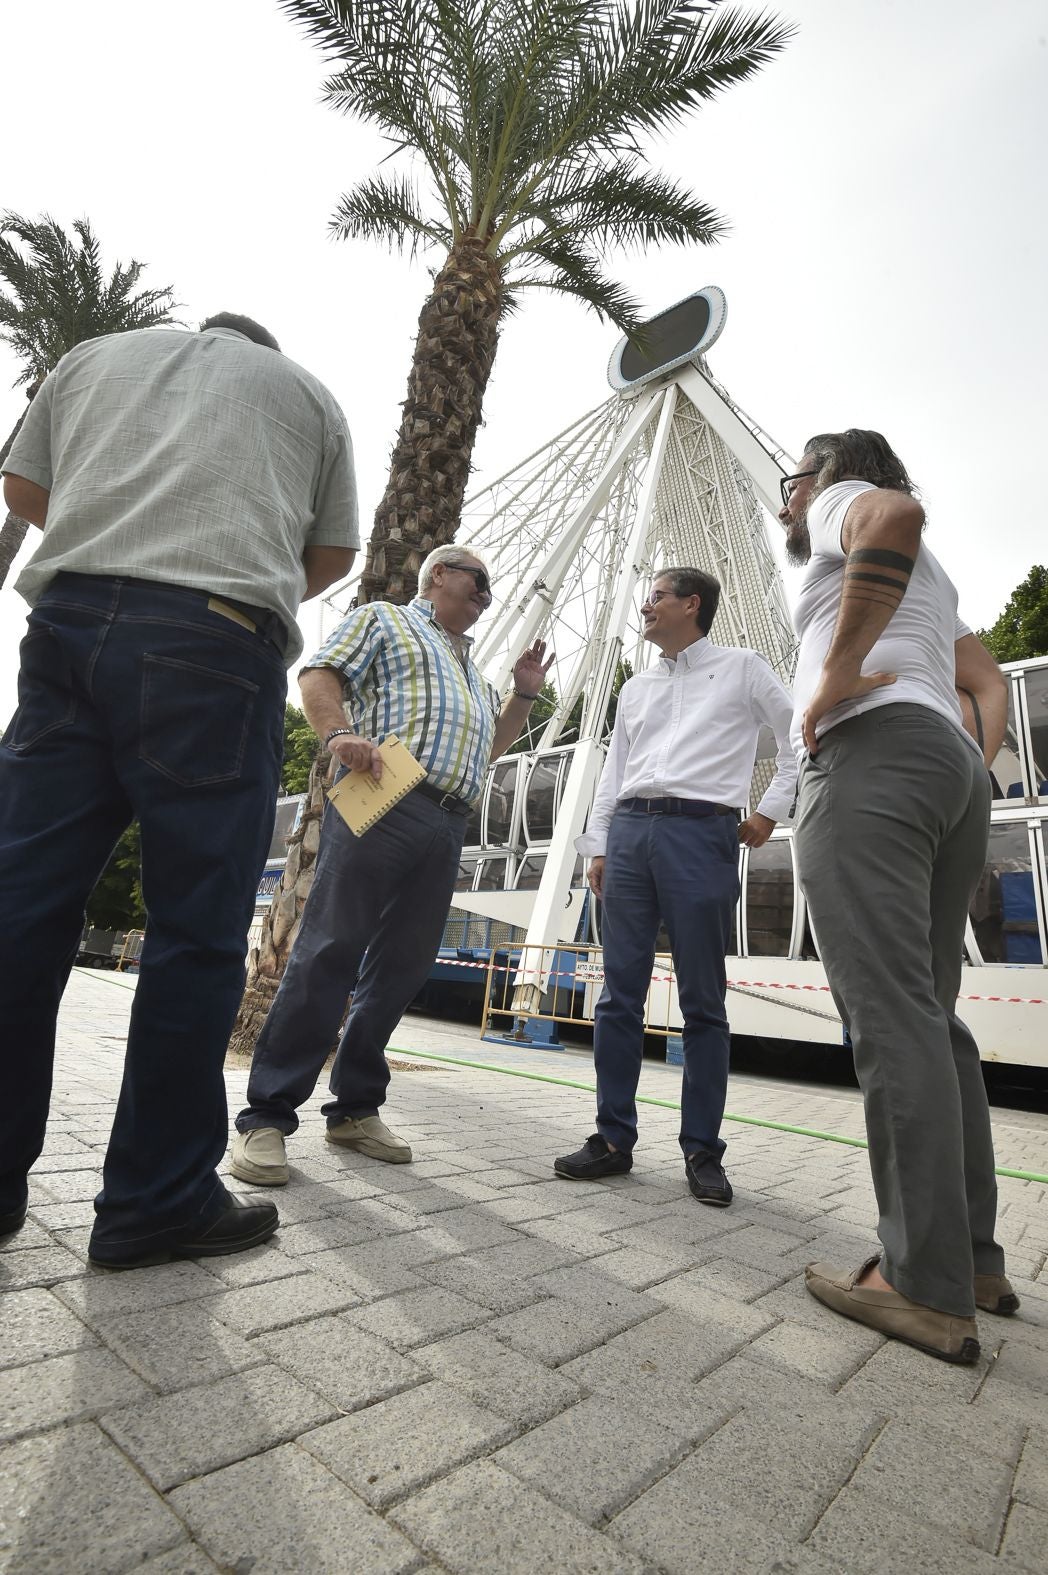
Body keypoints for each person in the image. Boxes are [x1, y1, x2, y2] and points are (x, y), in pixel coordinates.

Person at [0, 313, 359, 1267]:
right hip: (213, 639)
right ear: (263, 353)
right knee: (194, 931)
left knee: (19, 907)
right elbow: (329, 557)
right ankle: (154, 1200)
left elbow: (23, 488)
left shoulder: (91, 358)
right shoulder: (307, 395)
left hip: (68, 624)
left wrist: (120, 525)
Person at [779, 428, 1015, 1364]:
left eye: (793, 480)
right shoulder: (939, 580)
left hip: (871, 753)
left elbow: (893, 514)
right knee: (933, 1016)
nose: (788, 500)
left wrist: (838, 669)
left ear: (825, 475)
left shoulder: (846, 502)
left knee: (890, 1014)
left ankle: (922, 1282)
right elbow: (985, 679)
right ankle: (975, 1262)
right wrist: (973, 760)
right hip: (947, 769)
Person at [229, 545, 552, 1184]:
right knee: (329, 949)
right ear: (439, 574)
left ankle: (354, 1108)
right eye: (479, 581)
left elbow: (491, 746)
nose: (487, 595)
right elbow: (320, 673)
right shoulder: (386, 620)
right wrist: (336, 735)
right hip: (384, 793)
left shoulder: (473, 672)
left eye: (490, 589)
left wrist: (521, 695)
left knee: (402, 967)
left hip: (448, 818)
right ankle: (266, 1117)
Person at [555, 567, 797, 1204]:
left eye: (656, 595)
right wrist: (598, 844)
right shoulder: (635, 688)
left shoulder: (743, 668)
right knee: (618, 995)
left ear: (692, 604)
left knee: (703, 1000)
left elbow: (797, 737)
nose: (645, 605)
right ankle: (612, 1139)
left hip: (702, 832)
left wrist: (770, 809)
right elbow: (615, 772)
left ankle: (702, 1150)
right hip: (631, 834)